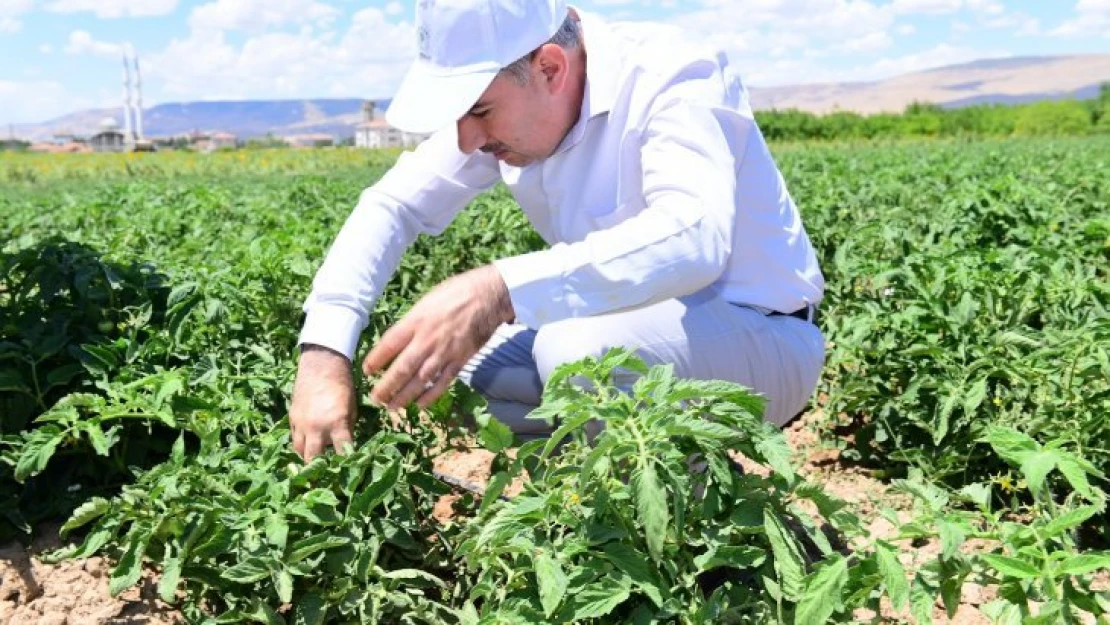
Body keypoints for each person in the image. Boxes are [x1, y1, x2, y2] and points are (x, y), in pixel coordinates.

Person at [289, 0, 825, 462]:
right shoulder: (514, 104)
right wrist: (323, 353)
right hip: (637, 338)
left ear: (549, 67)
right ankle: (596, 472)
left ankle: (691, 534)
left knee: (577, 355)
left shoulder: (673, 74)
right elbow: (393, 205)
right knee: (447, 367)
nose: (467, 138)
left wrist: (496, 289)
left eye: (479, 110)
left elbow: (693, 240)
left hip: (762, 336)